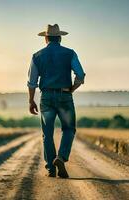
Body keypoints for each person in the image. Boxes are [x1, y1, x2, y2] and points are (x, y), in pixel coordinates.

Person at [27, 24, 85, 178]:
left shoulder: (37, 56)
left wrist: (31, 101)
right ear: (59, 38)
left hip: (46, 98)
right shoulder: (70, 53)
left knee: (47, 134)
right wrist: (72, 89)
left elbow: (32, 82)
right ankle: (61, 157)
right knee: (69, 129)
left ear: (46, 39)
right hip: (65, 96)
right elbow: (80, 74)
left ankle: (51, 169)